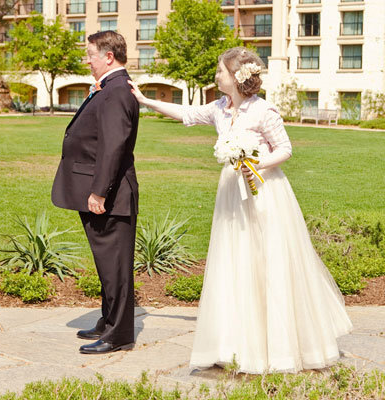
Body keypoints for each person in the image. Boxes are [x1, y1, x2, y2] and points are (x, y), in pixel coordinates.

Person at [128, 47, 353, 373]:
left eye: (220, 70)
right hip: (232, 196)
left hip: (265, 193)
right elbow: (186, 114)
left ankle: (279, 349)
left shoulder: (263, 111)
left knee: (268, 262)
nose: (216, 75)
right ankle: (236, 346)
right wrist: (146, 101)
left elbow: (285, 149)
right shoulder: (220, 108)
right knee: (236, 263)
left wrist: (255, 164)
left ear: (235, 76)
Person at [52, 30, 139, 354]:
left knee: (115, 266)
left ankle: (119, 335)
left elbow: (114, 147)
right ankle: (108, 321)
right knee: (107, 264)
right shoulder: (109, 88)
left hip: (111, 197)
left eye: (89, 54)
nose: (86, 60)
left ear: (108, 56)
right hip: (102, 192)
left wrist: (99, 193)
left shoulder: (117, 91)